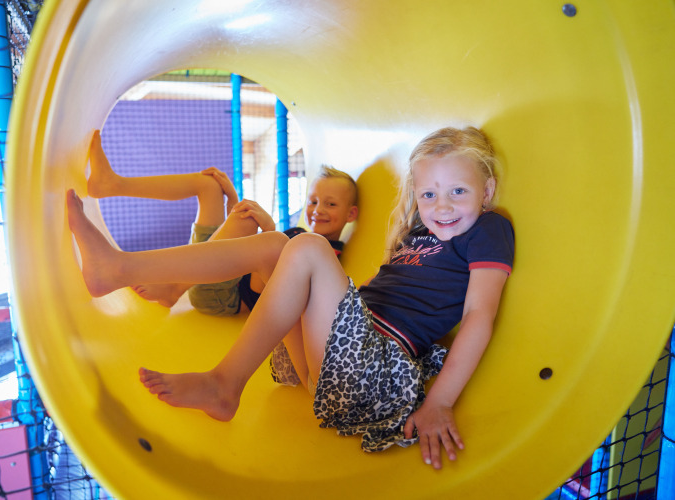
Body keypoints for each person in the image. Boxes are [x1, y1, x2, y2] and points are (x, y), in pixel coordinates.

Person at [67, 126, 514, 469]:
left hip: (372, 374)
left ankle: (223, 384)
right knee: (276, 245)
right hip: (331, 366)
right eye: (429, 194)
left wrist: (439, 403)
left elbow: (479, 315)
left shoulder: (489, 229)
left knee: (307, 246)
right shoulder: (418, 231)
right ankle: (119, 270)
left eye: (458, 191)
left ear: (487, 191)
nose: (442, 206)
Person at [86, 129, 358, 314]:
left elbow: (265, 289)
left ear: (351, 214)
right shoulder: (299, 233)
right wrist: (233, 199)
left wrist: (269, 230)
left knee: (249, 220)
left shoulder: (326, 255)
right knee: (209, 184)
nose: (318, 210)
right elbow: (242, 250)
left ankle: (175, 286)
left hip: (225, 294)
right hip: (218, 269)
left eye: (331, 204)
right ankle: (111, 184)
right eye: (313, 201)